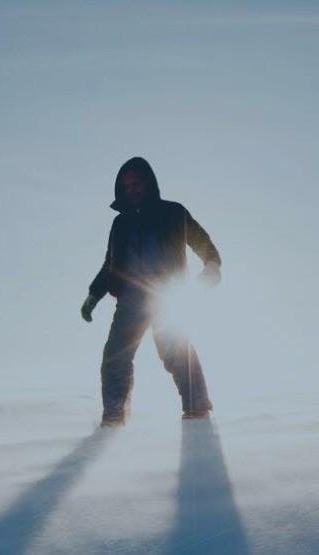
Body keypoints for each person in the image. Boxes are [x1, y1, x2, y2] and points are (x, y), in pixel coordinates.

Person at [80, 157, 222, 427]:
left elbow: (201, 240)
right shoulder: (119, 224)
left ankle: (197, 409)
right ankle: (114, 416)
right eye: (127, 185)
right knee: (115, 356)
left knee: (174, 351)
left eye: (137, 183)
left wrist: (212, 265)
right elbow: (110, 265)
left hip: (166, 294)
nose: (132, 188)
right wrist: (93, 295)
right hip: (130, 301)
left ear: (149, 183)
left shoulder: (173, 212)